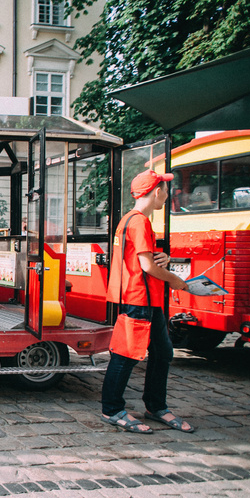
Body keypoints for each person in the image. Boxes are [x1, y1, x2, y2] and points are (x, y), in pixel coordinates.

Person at [101, 170, 193, 434]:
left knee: (163, 352)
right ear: (156, 192)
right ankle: (112, 409)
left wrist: (159, 257)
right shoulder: (139, 222)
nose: (167, 195)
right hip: (139, 299)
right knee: (126, 355)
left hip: (147, 301)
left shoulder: (130, 220)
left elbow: (142, 259)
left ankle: (155, 406)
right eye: (165, 190)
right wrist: (175, 279)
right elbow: (145, 266)